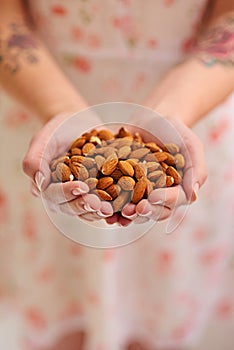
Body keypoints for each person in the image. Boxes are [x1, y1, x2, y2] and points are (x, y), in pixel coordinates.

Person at [0, 0, 233, 349]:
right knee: (60, 324)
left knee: (157, 319)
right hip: (43, 112)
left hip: (188, 113)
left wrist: (176, 109)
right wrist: (60, 109)